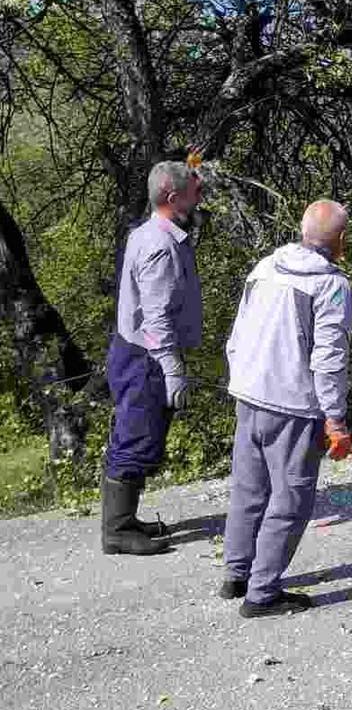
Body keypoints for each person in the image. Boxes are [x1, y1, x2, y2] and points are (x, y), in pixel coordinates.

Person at [221, 200, 352, 618]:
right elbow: (328, 359)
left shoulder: (265, 267)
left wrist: (240, 378)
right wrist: (335, 418)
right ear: (341, 240)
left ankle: (237, 574)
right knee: (290, 499)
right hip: (293, 405)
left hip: (248, 393)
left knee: (248, 489)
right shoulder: (332, 286)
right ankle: (262, 594)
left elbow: (237, 333)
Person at [102, 159, 205, 556]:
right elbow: (156, 317)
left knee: (140, 434)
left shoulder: (149, 233)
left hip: (139, 353)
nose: (199, 195)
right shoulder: (160, 246)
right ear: (172, 197)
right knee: (136, 436)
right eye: (194, 190)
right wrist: (173, 368)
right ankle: (117, 531)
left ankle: (125, 520)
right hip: (146, 358)